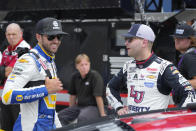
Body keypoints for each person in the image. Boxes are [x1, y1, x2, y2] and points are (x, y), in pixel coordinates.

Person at [106, 24, 196, 116]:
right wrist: (118, 107)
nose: (126, 43)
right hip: (131, 125)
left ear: (144, 42)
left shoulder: (164, 67)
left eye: (130, 39)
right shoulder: (128, 66)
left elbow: (189, 93)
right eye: (126, 40)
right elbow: (110, 87)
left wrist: (179, 117)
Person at [1, 17, 68, 131]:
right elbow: (7, 96)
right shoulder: (28, 60)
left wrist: (58, 127)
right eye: (50, 36)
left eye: (59, 36)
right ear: (38, 37)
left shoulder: (50, 60)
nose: (56, 40)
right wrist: (45, 89)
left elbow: (50, 107)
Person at [58, 53, 106, 125]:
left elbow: (98, 97)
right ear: (77, 66)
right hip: (80, 106)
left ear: (89, 64)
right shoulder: (74, 77)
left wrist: (103, 115)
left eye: (86, 64)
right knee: (60, 116)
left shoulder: (95, 76)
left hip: (94, 107)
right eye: (82, 65)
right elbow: (72, 96)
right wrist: (71, 110)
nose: (84, 67)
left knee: (83, 117)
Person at [0, 23, 31, 131]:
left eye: (14, 34)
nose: (11, 37)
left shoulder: (25, 48)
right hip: (6, 95)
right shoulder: (6, 51)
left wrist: (4, 71)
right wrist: (4, 71)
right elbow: (5, 72)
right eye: (8, 34)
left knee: (18, 127)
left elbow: (11, 72)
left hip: (19, 97)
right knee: (5, 127)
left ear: (21, 34)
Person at [171, 24, 196, 89]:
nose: (177, 41)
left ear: (191, 40)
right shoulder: (189, 54)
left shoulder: (189, 57)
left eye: (181, 38)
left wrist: (175, 83)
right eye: (175, 38)